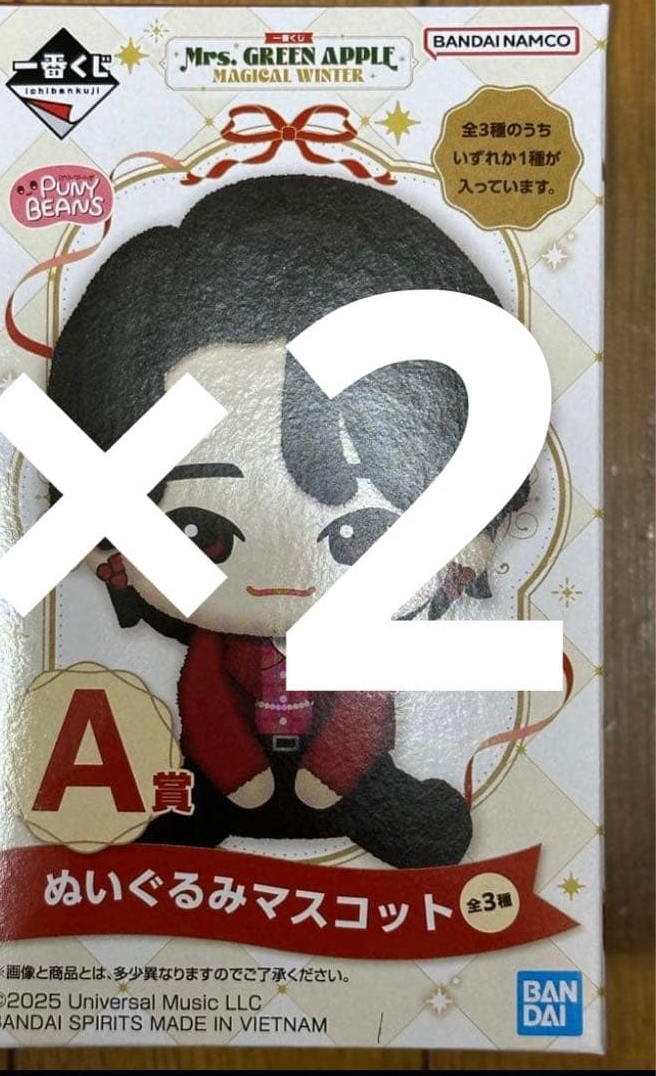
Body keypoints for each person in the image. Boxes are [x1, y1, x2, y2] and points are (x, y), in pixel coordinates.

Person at [48, 174, 527, 867]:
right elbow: (207, 704)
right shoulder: (217, 651)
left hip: (342, 774)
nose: (283, 582)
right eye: (200, 532)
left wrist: (330, 774)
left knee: (382, 805)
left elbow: (362, 708)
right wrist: (237, 774)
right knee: (196, 803)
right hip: (228, 772)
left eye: (361, 533)